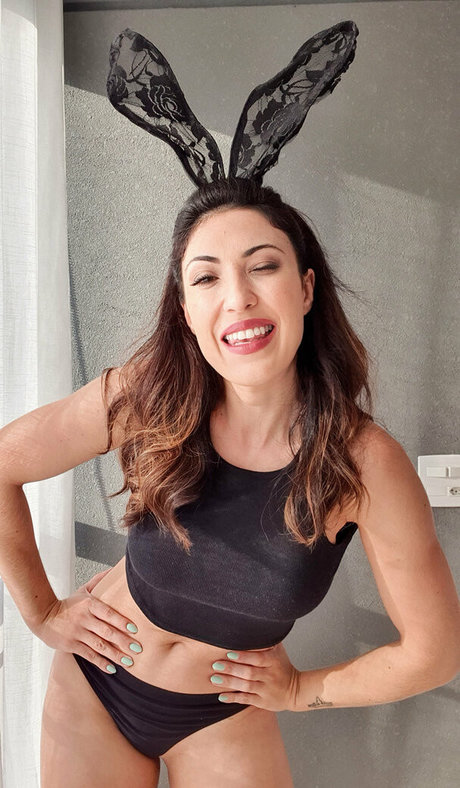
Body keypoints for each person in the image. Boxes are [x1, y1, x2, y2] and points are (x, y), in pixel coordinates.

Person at [0, 177, 459, 788]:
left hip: (221, 715)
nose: (238, 297)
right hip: (96, 689)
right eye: (206, 278)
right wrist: (42, 613)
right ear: (186, 311)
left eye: (262, 267)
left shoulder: (364, 463)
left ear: (305, 288)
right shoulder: (146, 397)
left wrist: (300, 691)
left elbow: (434, 652)